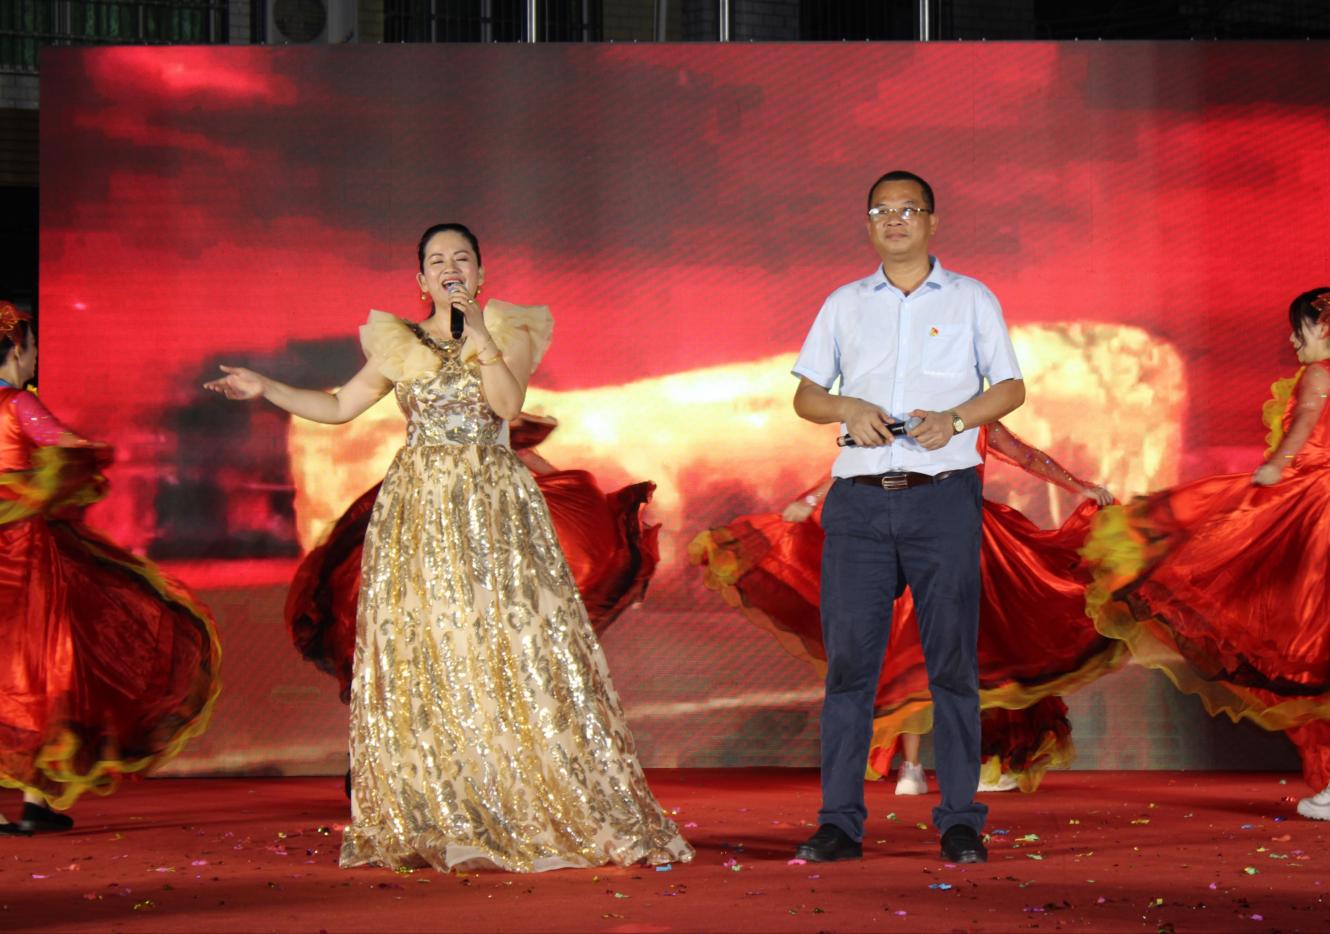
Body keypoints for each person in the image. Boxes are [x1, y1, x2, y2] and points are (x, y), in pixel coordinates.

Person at [205, 224, 691, 871]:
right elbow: (340, 405)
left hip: (492, 504)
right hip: (419, 510)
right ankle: (448, 804)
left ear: (480, 275)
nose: (450, 267)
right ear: (421, 279)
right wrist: (264, 388)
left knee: (505, 646)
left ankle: (524, 796)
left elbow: (506, 404)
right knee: (430, 649)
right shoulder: (399, 343)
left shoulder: (509, 330)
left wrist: (480, 332)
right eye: (437, 260)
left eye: (462, 258)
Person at [788, 171, 1025, 864]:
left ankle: (960, 820)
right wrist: (845, 407)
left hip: (942, 495)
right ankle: (839, 822)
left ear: (932, 221)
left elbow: (1011, 387)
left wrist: (956, 418)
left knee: (951, 664)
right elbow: (806, 396)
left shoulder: (971, 298)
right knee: (850, 669)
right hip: (859, 502)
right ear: (868, 224)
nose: (893, 220)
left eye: (907, 209)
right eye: (880, 211)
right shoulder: (843, 303)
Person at [690, 421, 1120, 798]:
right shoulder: (958, 410)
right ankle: (955, 763)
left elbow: (1022, 456)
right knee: (968, 647)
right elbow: (1023, 456)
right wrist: (810, 499)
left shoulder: (938, 408)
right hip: (948, 536)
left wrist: (812, 498)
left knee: (926, 647)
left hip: (930, 535)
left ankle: (926, 767)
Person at [1083, 288, 1330, 821]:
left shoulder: (1319, 374)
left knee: (1299, 629)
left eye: (1300, 331)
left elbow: (1307, 421)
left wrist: (1276, 466)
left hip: (1315, 507)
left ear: (1325, 328)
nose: (1293, 341)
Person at [0, 302, 221, 835]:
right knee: (39, 670)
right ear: (17, 348)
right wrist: (95, 453)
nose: (36, 356)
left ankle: (33, 801)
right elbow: (69, 448)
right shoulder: (20, 405)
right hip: (23, 555)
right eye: (33, 346)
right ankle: (33, 801)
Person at [286, 412, 661, 705]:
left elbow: (515, 447)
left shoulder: (489, 376)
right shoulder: (412, 362)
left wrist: (572, 488)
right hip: (428, 512)